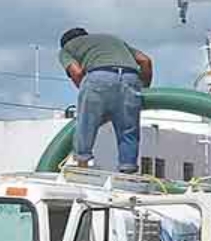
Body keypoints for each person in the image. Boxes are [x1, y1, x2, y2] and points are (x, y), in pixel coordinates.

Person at [58, 28, 153, 174]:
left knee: (86, 123)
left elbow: (76, 72)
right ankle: (128, 169)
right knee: (128, 129)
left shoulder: (67, 49)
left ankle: (82, 164)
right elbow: (145, 61)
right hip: (130, 77)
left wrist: (88, 94)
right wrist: (143, 88)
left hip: (98, 76)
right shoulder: (113, 40)